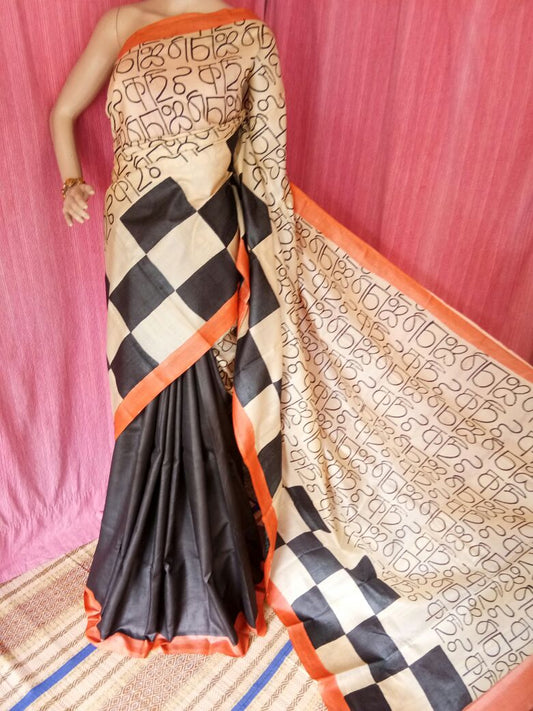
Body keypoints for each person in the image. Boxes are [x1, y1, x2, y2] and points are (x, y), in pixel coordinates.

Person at [49, 2, 533, 709]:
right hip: (131, 242)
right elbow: (64, 112)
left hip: (208, 242)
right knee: (142, 398)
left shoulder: (249, 35)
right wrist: (71, 181)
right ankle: (141, 571)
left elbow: (265, 167)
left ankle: (209, 580)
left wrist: (272, 267)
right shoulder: (123, 23)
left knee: (204, 401)